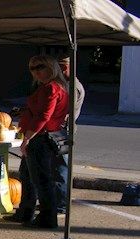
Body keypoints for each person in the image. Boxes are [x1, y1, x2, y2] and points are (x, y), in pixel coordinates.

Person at [6, 55, 69, 229]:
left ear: (51, 67)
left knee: (41, 180)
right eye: (32, 68)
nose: (36, 72)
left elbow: (44, 116)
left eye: (40, 67)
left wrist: (27, 138)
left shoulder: (51, 88)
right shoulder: (53, 87)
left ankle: (47, 218)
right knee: (29, 177)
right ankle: (27, 213)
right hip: (41, 136)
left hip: (40, 138)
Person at [54, 55, 85, 214]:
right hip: (59, 129)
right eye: (58, 66)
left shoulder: (72, 86)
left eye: (63, 67)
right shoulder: (63, 84)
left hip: (63, 130)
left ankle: (61, 205)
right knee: (57, 167)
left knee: (62, 168)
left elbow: (65, 111)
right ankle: (57, 202)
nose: (60, 70)